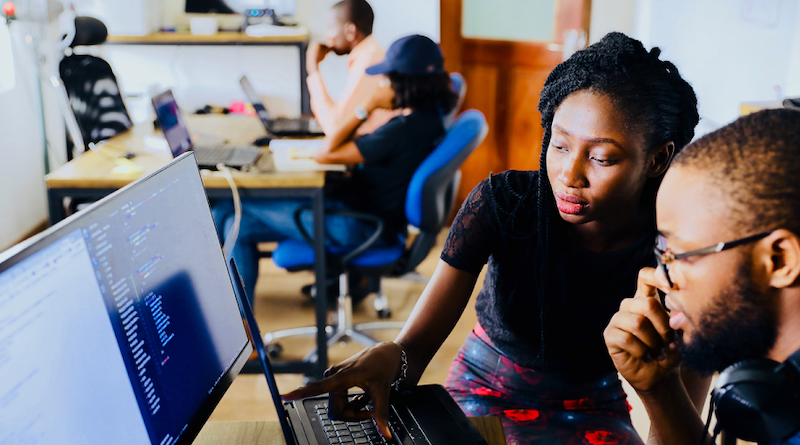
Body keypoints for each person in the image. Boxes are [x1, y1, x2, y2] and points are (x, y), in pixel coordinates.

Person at [282, 32, 702, 445]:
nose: (568, 176)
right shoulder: (504, 205)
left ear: (657, 158)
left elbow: (680, 432)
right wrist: (395, 356)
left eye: (601, 157)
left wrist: (657, 388)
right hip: (486, 385)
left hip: (595, 402)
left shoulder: (683, 254)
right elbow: (413, 351)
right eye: (558, 145)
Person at [213, 35, 458, 306]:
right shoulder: (429, 121)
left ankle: (225, 316)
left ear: (404, 82)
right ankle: (244, 327)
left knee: (228, 209)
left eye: (386, 78)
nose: (381, 84)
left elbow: (326, 152)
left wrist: (366, 107)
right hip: (369, 218)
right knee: (237, 224)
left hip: (358, 226)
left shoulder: (401, 130)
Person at [603, 109, 800, 445]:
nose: (659, 278)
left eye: (680, 254)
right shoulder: (774, 383)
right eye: (661, 251)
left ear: (779, 259)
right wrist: (660, 391)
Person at [307, 0, 395, 135]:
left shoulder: (368, 62)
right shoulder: (369, 55)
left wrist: (313, 69)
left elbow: (335, 128)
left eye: (331, 28)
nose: (327, 35)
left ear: (350, 31)